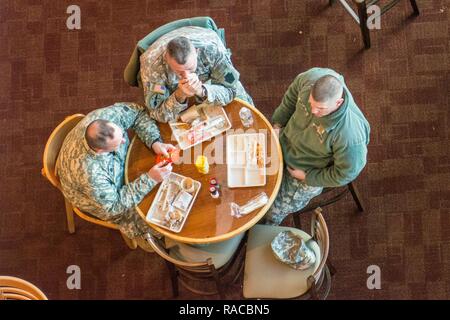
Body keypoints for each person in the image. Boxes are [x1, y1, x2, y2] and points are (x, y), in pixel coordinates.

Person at [56, 102, 175, 250]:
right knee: (163, 216)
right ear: (100, 151)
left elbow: (138, 113)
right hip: (99, 199)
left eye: (121, 135)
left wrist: (154, 142)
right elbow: (114, 207)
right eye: (118, 144)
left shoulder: (106, 117)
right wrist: (149, 179)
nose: (124, 140)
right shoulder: (91, 175)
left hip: (115, 173)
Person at [265, 67, 370, 225]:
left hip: (306, 171)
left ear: (338, 102)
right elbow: (292, 96)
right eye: (311, 104)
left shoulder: (350, 138)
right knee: (249, 173)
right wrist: (278, 123)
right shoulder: (310, 79)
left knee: (270, 211)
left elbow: (344, 174)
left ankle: (259, 234)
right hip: (285, 139)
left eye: (320, 109)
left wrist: (308, 177)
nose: (313, 111)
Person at [139, 26, 254, 122]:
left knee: (246, 109)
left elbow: (231, 90)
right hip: (173, 90)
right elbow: (156, 113)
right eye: (179, 72)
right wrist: (179, 95)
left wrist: (202, 91)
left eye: (190, 68)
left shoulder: (212, 50)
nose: (186, 76)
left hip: (208, 76)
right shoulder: (152, 67)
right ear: (166, 60)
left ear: (197, 52)